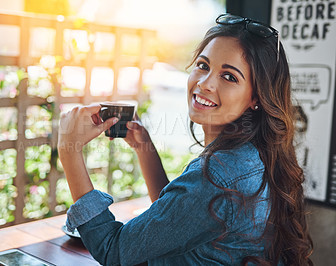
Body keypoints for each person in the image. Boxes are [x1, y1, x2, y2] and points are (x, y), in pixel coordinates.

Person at [58, 14, 313, 265]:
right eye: (203, 65)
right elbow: (179, 221)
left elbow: (114, 251)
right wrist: (143, 147)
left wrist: (69, 149)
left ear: (256, 98)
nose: (205, 83)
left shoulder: (218, 173)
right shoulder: (256, 155)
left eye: (229, 76)